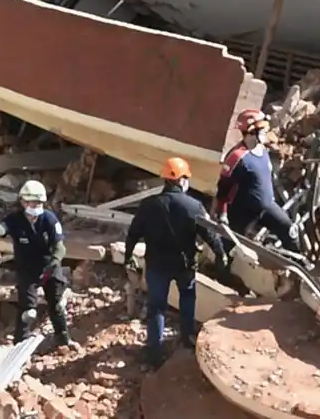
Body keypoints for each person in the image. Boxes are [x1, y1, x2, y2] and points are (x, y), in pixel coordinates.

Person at [125, 157, 228, 367]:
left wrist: (128, 256)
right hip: (184, 265)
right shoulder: (193, 206)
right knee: (187, 299)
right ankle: (187, 339)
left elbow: (133, 234)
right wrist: (221, 255)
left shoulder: (148, 205)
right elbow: (210, 234)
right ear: (181, 180)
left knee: (156, 308)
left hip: (156, 266)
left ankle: (154, 354)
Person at [0, 180, 79, 349]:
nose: (36, 206)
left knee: (56, 306)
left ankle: (63, 339)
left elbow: (60, 247)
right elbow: (2, 227)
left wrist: (54, 263)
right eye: (33, 202)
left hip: (50, 266)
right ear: (23, 202)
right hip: (27, 269)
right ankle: (20, 343)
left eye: (39, 202)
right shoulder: (16, 220)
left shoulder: (49, 219)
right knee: (28, 310)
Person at [213, 109, 300, 254]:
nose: (266, 131)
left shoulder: (262, 150)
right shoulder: (237, 156)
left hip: (267, 206)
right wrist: (222, 213)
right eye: (262, 128)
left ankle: (298, 264)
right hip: (243, 211)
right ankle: (220, 268)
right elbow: (224, 188)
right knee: (228, 245)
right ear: (251, 131)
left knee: (289, 230)